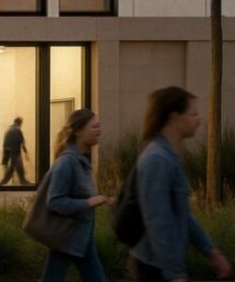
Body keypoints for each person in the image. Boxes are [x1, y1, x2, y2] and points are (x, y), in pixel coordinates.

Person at [131, 87, 231, 282]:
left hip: (161, 265)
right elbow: (157, 222)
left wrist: (211, 252)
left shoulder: (169, 156)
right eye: (193, 113)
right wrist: (174, 273)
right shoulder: (157, 159)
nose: (199, 119)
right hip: (154, 267)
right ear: (174, 117)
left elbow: (182, 214)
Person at [40, 108, 111, 282]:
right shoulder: (67, 162)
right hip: (68, 237)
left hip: (79, 237)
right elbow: (55, 202)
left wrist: (106, 200)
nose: (100, 131)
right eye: (95, 126)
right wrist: (89, 202)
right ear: (79, 131)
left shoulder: (80, 160)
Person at [0, 116, 31, 186]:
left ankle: (22, 180)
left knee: (17, 166)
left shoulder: (8, 129)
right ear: (20, 123)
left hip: (7, 151)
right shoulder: (17, 130)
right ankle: (4, 182)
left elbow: (5, 143)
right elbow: (22, 143)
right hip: (15, 151)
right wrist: (26, 153)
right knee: (14, 167)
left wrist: (5, 159)